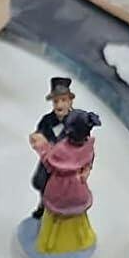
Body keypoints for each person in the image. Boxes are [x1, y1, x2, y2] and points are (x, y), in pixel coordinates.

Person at [29, 108, 101, 258]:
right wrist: (86, 170)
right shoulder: (88, 145)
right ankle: (80, 240)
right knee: (77, 215)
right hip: (77, 187)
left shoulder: (62, 149)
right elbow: (88, 160)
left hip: (60, 188)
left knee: (56, 215)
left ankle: (50, 244)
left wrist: (41, 146)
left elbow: (50, 163)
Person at [31, 77, 76, 219]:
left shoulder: (77, 122)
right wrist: (38, 140)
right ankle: (42, 205)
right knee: (43, 184)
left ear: (70, 101)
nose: (59, 105)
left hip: (65, 167)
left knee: (61, 192)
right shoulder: (47, 120)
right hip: (48, 164)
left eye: (63, 100)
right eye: (56, 101)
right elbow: (38, 135)